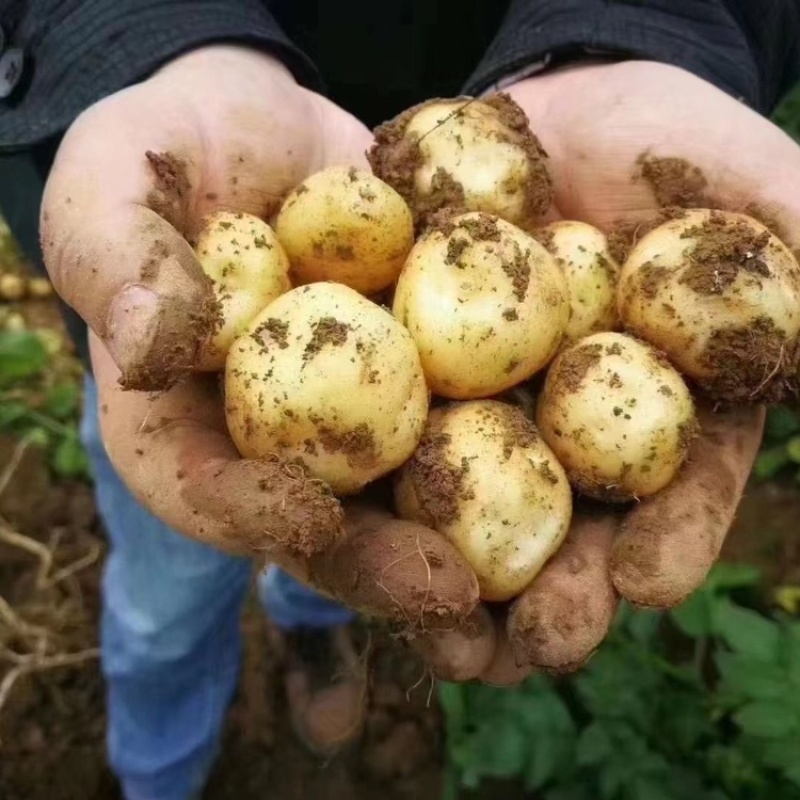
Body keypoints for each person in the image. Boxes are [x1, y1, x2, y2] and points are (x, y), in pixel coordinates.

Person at [1, 2, 799, 799]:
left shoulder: (521, 290)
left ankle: (312, 636)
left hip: (515, 75)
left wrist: (647, 31)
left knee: (341, 548)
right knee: (164, 594)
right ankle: (156, 769)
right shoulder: (286, 287)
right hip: (206, 289)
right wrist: (149, 49)